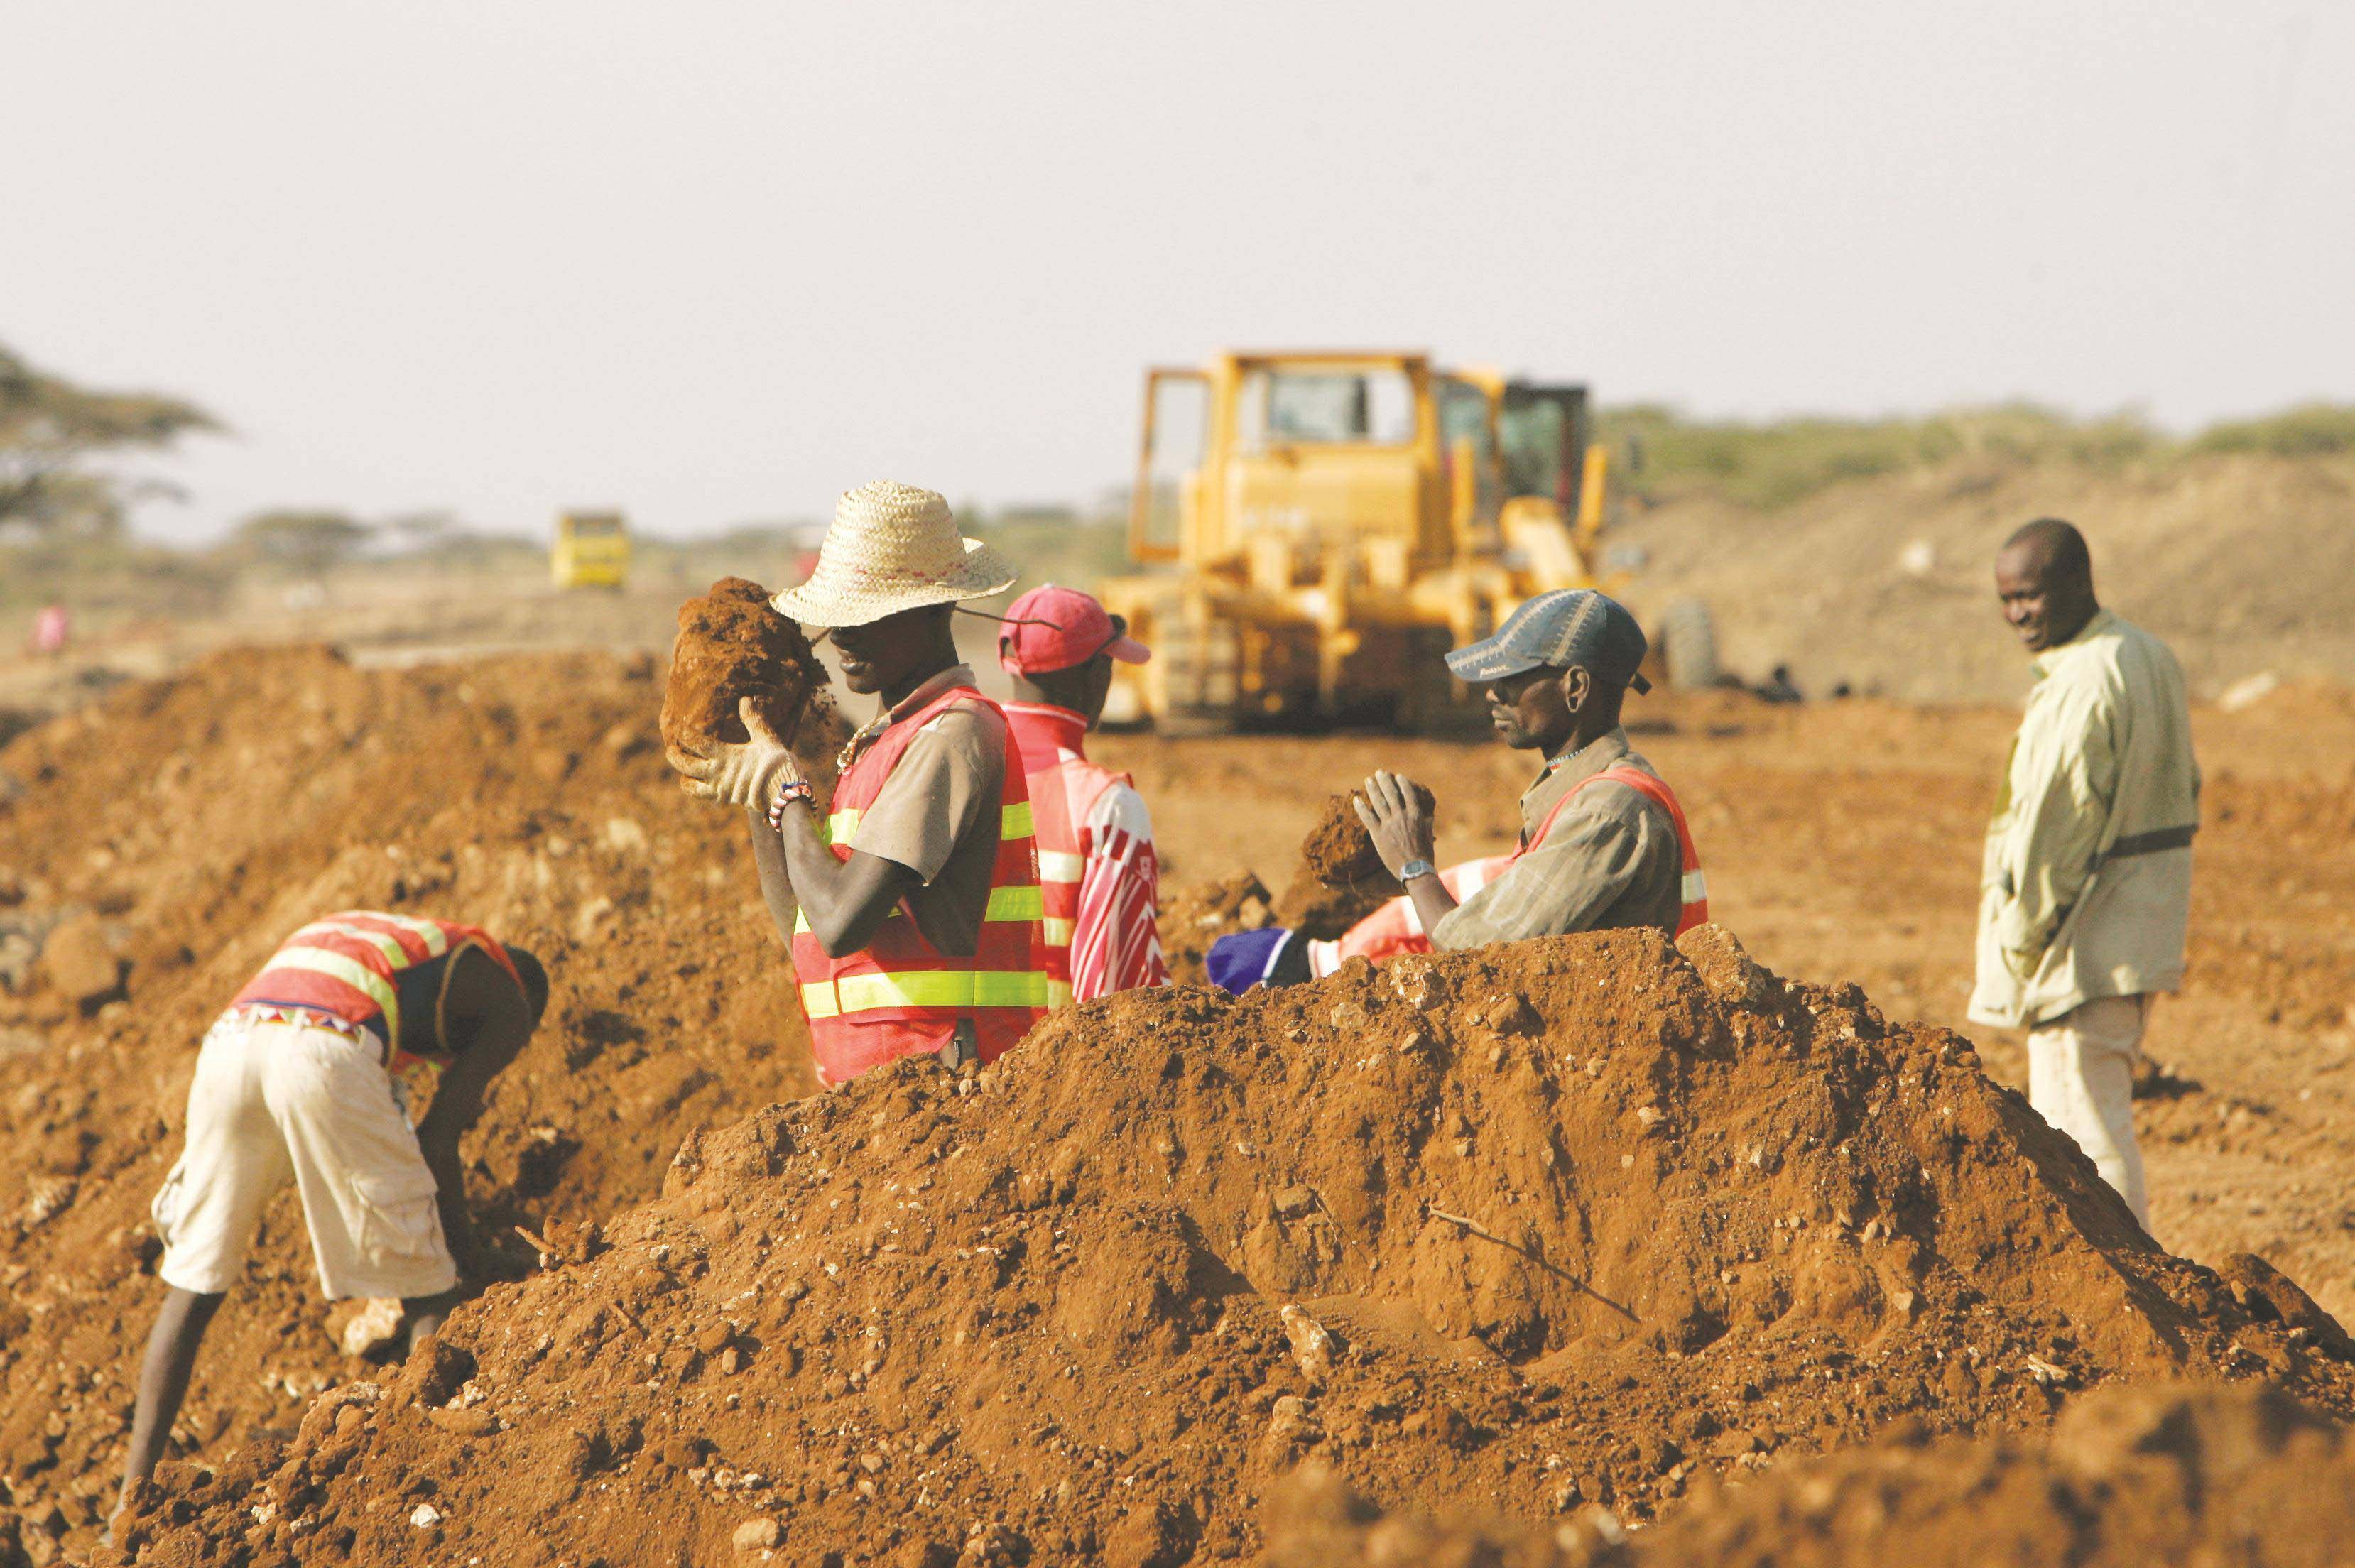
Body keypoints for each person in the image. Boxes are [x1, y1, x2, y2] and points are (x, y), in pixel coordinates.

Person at [116, 912, 548, 1520]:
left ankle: (128, 1505)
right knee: (426, 1278)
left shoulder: (401, 955)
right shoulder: (511, 1002)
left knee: (193, 1282)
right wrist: (470, 1261)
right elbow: (436, 1140)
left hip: (229, 1045)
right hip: (324, 1046)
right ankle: (430, 1481)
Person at [670, 480, 1048, 1084]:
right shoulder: (885, 743)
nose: (843, 635)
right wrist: (762, 781)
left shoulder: (951, 734)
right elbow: (806, 927)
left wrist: (786, 789)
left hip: (952, 1092)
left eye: (866, 616)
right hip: (888, 1099)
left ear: (935, 609)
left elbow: (842, 924)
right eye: (837, 617)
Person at [1207, 589, 1708, 993]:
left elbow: (1480, 954)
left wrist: (1415, 867)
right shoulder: (1581, 793)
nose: (1492, 693)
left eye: (1513, 679)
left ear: (1575, 688)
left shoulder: (1609, 810)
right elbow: (1517, 912)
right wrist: (1394, 876)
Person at [1968, 518, 2197, 1229]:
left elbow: (2048, 840)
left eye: (2029, 597)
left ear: (2076, 584)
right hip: (2140, 926)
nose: (2016, 616)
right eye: (2006, 600)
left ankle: (2127, 1288)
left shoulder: (2081, 684)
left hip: (2082, 944)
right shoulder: (2144, 653)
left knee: (2083, 1135)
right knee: (2098, 1120)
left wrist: (2022, 949)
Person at [997, 584, 1170, 1006]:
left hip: (949, 1062)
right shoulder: (1107, 805)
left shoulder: (950, 762)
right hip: (1049, 1066)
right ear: (1096, 676)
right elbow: (1117, 1001)